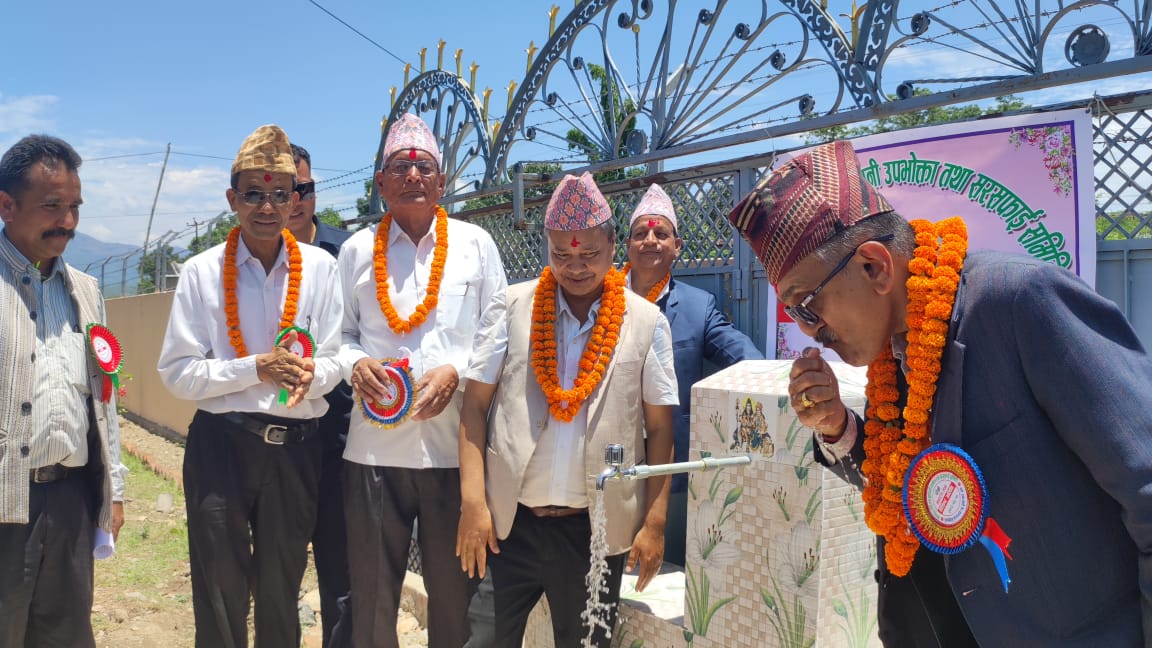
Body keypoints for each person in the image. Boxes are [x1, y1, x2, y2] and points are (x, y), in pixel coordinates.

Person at [727, 139, 1152, 646]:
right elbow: (909, 483)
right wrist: (838, 428)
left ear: (874, 267)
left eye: (805, 305)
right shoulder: (891, 351)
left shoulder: (1020, 303)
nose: (808, 331)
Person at [457, 172, 678, 648]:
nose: (575, 267)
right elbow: (474, 407)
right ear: (547, 247)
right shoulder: (510, 306)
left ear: (613, 244)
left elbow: (660, 429)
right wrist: (473, 504)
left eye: (589, 254)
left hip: (594, 535)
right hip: (506, 526)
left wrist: (654, 522)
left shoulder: (646, 322)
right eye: (561, 254)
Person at [157, 124, 344, 648]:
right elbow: (177, 372)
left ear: (295, 200)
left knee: (282, 591)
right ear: (232, 199)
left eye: (280, 195)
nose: (267, 207)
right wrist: (254, 369)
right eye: (254, 195)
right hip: (222, 446)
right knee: (219, 592)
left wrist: (312, 375)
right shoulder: (201, 273)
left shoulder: (320, 269)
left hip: (295, 452)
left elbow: (335, 358)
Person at [338, 112, 506, 648]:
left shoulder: (476, 244)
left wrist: (458, 372)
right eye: (399, 166)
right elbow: (338, 336)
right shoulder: (356, 250)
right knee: (371, 600)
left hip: (454, 454)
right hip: (372, 454)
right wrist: (354, 363)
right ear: (380, 182)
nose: (412, 174)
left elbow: (499, 334)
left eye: (424, 166)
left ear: (442, 181)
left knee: (456, 599)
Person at [0, 134, 127, 647]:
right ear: (6, 205)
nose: (68, 221)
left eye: (75, 207)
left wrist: (114, 491)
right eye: (52, 205)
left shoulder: (86, 292)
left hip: (71, 501)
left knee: (66, 635)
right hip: (5, 501)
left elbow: (103, 400)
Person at [624, 183, 762, 565]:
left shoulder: (698, 307)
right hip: (610, 466)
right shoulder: (603, 301)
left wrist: (776, 377)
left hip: (672, 476)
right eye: (641, 233)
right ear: (627, 246)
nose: (650, 240)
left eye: (661, 233)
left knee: (664, 577)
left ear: (677, 246)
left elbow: (741, 355)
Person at [289, 142, 354, 647]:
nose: (293, 200)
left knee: (341, 572)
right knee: (277, 569)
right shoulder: (243, 262)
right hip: (276, 443)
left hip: (337, 439)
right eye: (281, 189)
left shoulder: (347, 252)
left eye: (303, 188)